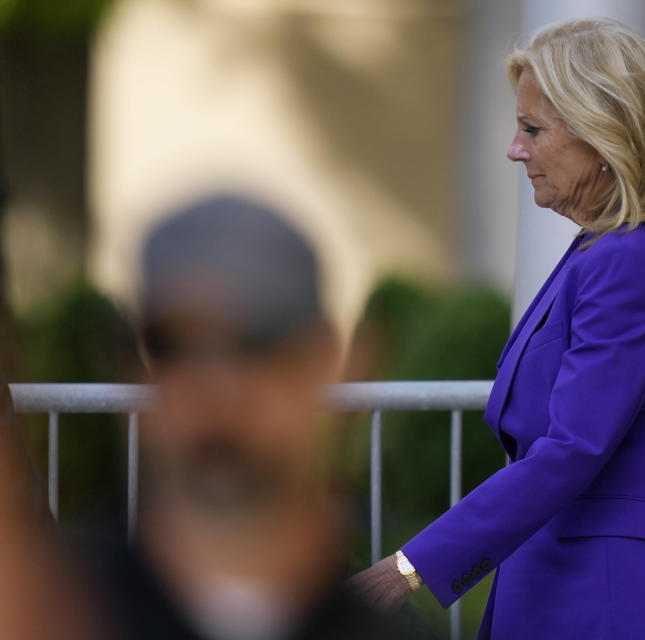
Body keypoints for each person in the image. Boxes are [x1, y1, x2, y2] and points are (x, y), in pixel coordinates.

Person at [348, 18, 645, 639]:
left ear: (604, 137)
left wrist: (406, 570)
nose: (516, 150)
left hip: (614, 597)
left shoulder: (631, 260)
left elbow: (570, 451)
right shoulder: (618, 252)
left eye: (533, 130)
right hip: (599, 583)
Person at [0, 195, 426, 640]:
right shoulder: (53, 617)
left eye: (258, 344)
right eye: (171, 347)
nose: (217, 390)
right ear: (131, 365)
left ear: (327, 360)